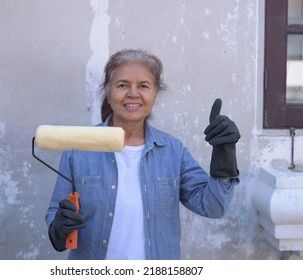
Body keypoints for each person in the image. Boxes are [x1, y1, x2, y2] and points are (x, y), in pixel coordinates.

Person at [45, 48, 240, 260]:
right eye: (122, 85)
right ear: (108, 94)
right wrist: (58, 229)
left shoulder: (173, 151)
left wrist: (224, 155)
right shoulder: (79, 149)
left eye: (143, 86)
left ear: (155, 94)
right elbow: (56, 216)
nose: (133, 93)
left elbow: (212, 207)